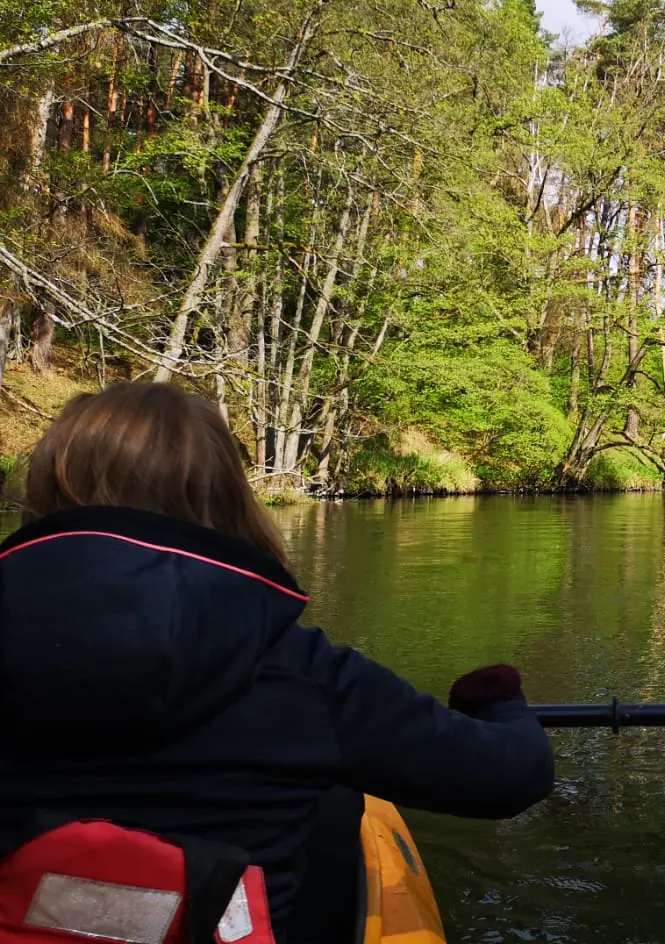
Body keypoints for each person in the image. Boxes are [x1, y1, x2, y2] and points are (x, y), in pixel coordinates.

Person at [0, 383, 554, 942]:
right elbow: (513, 776)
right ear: (227, 496)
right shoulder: (300, 672)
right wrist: (499, 702)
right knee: (337, 801)